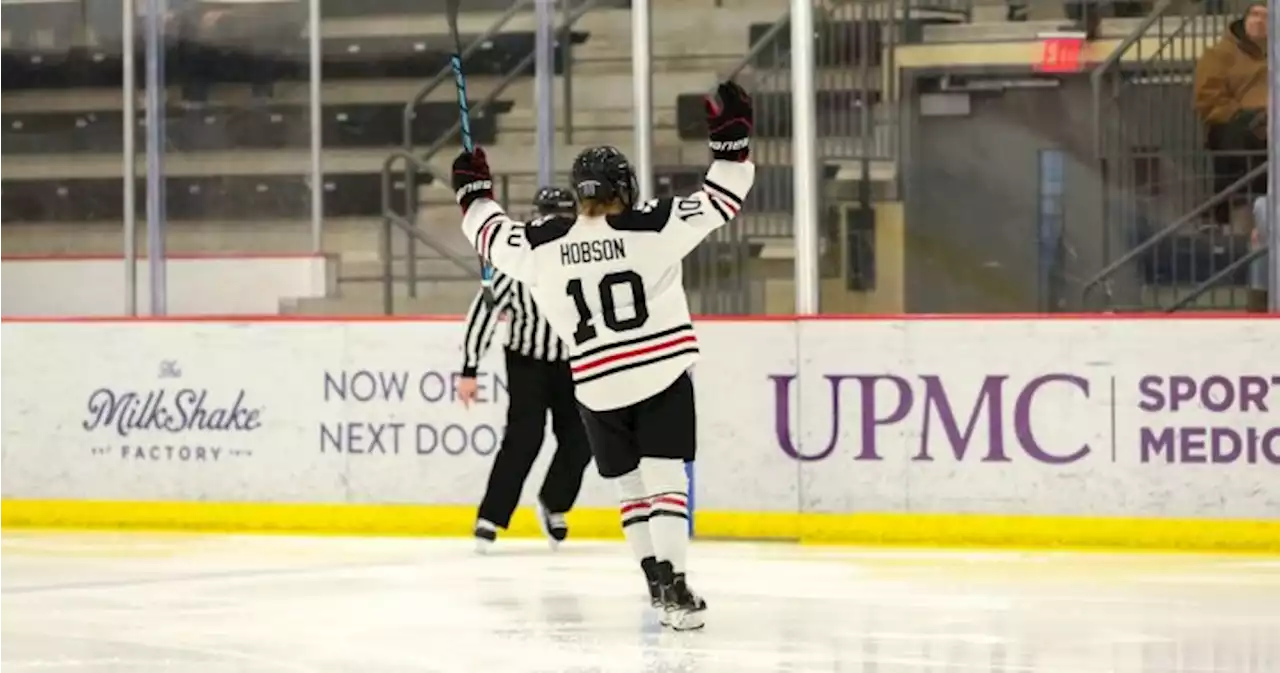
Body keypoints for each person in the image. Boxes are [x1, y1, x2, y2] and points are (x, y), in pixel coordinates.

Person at [450, 80, 754, 631]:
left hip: (593, 386)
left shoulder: (543, 245)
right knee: (666, 483)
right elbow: (723, 198)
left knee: (631, 489)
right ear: (624, 187)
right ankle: (677, 589)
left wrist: (473, 191)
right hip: (658, 373)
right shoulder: (655, 225)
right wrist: (730, 144)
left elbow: (489, 234)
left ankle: (656, 583)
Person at [459, 186, 592, 553]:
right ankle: (491, 515)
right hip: (527, 361)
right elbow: (484, 313)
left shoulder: (585, 255)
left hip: (573, 362)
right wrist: (470, 367)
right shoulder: (518, 259)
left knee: (582, 439)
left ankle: (555, 502)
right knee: (524, 437)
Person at [1193, 0, 1269, 228]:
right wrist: (1245, 116)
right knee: (1237, 136)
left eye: (1266, 16)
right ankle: (1233, 211)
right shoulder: (1220, 54)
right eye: (1254, 14)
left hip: (1271, 122)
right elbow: (1208, 99)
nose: (1259, 21)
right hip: (1236, 122)